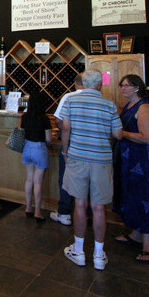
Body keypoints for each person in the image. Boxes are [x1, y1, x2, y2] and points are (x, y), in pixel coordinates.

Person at [60, 70, 123, 271]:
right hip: (102, 159)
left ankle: (78, 251)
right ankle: (98, 254)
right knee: (98, 208)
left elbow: (65, 129)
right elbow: (118, 134)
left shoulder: (71, 101)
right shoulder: (109, 104)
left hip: (77, 157)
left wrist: (65, 151)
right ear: (99, 85)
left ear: (83, 84)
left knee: (79, 204)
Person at [114, 74, 149, 263]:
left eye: (126, 85)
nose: (123, 88)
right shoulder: (129, 106)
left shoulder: (144, 107)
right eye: (122, 85)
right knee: (132, 195)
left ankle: (148, 245)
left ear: (136, 87)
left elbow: (148, 137)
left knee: (146, 197)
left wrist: (121, 133)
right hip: (130, 159)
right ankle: (136, 233)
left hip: (143, 161)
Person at [50, 77, 85, 226]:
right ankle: (85, 213)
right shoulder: (101, 98)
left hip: (71, 145)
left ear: (75, 83)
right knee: (86, 180)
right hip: (90, 147)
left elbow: (59, 120)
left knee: (65, 179)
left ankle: (64, 213)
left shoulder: (69, 96)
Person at [20, 89, 52, 221]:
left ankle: (28, 207)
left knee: (29, 179)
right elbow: (49, 139)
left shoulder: (25, 116)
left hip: (27, 148)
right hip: (39, 148)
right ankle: (38, 211)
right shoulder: (44, 118)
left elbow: (21, 132)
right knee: (38, 181)